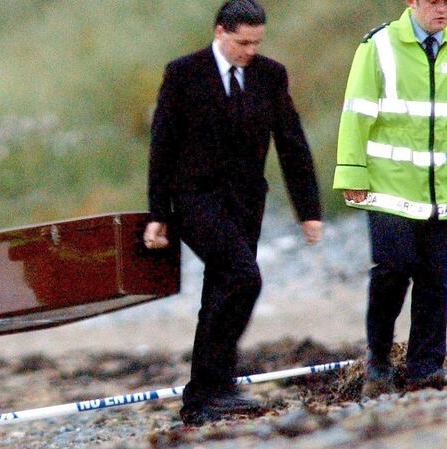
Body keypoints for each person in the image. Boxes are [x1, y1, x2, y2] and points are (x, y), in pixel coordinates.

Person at [144, 0, 323, 426]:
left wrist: (308, 210)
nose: (249, 51)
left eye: (257, 43)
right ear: (220, 32)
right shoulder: (183, 73)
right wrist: (159, 213)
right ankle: (208, 388)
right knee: (244, 276)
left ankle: (209, 395)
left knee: (222, 289)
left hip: (246, 202)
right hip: (194, 200)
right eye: (242, 42)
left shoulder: (270, 75)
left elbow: (291, 142)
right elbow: (162, 146)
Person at [334, 0, 447, 397]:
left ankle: (425, 370)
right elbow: (356, 111)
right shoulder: (376, 46)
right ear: (412, 2)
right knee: (392, 272)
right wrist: (351, 172)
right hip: (387, 187)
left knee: (435, 278)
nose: (442, 9)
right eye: (432, 1)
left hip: (442, 188)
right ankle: (378, 362)